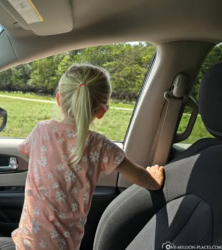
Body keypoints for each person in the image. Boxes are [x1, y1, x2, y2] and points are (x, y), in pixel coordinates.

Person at [11, 64, 165, 250]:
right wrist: (154, 180)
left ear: (59, 99)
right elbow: (139, 176)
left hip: (29, 239)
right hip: (64, 244)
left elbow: (28, 154)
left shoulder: (41, 131)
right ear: (101, 111)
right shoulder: (101, 146)